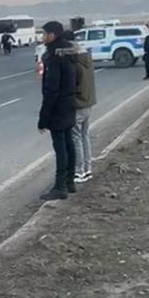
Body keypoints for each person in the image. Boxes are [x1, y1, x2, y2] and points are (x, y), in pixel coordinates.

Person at [38, 21, 77, 201]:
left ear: (52, 35)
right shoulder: (69, 52)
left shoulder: (54, 56)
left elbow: (51, 89)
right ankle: (70, 181)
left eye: (44, 34)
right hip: (69, 103)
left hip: (59, 106)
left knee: (60, 147)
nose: (43, 37)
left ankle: (60, 186)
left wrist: (43, 117)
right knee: (69, 143)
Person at [71, 40, 96, 184]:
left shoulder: (76, 66)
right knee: (85, 136)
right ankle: (87, 168)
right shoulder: (88, 62)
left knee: (76, 138)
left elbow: (73, 87)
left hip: (78, 105)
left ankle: (79, 171)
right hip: (88, 104)